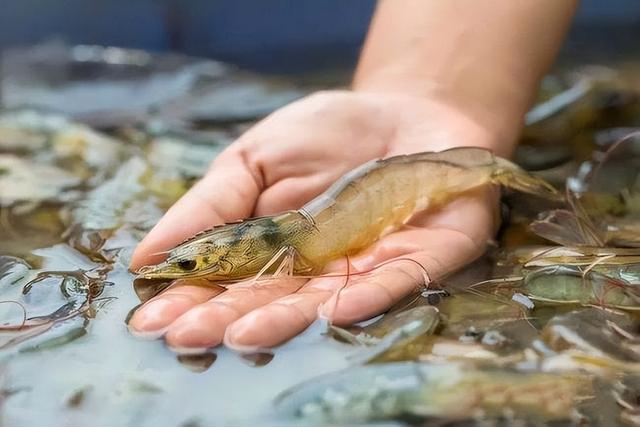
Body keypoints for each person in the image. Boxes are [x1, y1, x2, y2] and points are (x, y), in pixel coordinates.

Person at [127, 1, 578, 352]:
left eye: (187, 264)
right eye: (186, 264)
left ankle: (495, 170)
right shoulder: (263, 240)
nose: (175, 269)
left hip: (403, 181)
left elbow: (279, 259)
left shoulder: (277, 246)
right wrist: (435, 93)